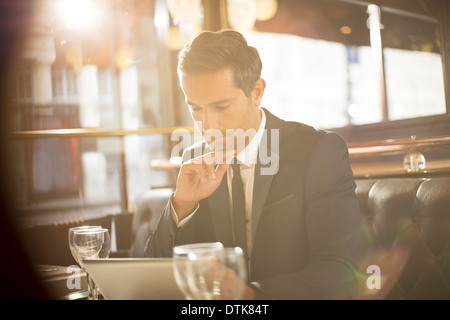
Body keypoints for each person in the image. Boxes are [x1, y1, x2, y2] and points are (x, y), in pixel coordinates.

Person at [145, 29, 363, 299]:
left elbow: (342, 269)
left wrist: (252, 297)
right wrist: (182, 205)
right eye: (196, 109)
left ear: (257, 92)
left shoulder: (318, 152)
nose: (207, 126)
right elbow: (153, 272)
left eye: (221, 107)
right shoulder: (195, 159)